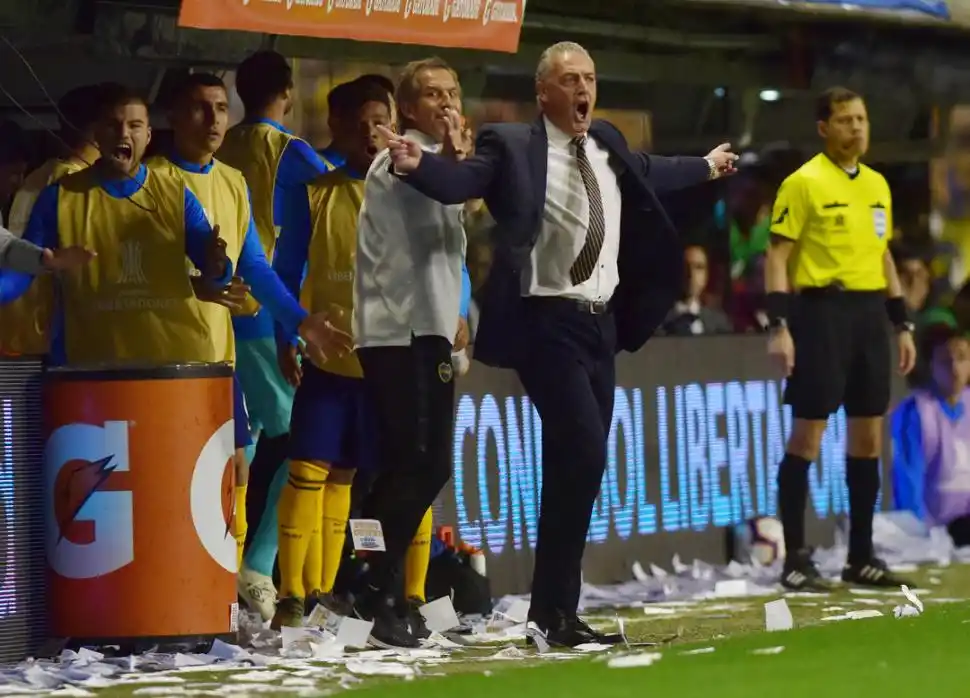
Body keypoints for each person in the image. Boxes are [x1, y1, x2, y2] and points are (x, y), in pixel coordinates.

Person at [381, 42, 736, 648]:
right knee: (584, 449)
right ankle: (552, 611)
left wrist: (704, 165)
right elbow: (466, 177)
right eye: (571, 79)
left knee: (580, 464)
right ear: (543, 91)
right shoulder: (512, 143)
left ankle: (554, 614)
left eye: (591, 78)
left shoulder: (606, 142)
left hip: (601, 325)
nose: (584, 88)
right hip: (548, 322)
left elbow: (651, 170)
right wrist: (419, 165)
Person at [146, 71, 350, 575]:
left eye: (220, 107)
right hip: (158, 359)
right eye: (199, 108)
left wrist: (300, 322)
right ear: (171, 117)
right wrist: (195, 284)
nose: (213, 119)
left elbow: (254, 266)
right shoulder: (152, 181)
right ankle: (232, 578)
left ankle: (230, 591)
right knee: (176, 480)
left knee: (233, 469)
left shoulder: (233, 181)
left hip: (220, 351)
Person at [0, 84, 350, 369]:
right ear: (98, 135)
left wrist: (295, 319)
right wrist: (40, 263)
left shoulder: (176, 194)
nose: (124, 133)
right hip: (90, 371)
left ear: (148, 134)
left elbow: (237, 268)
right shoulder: (58, 196)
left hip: (172, 370)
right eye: (113, 125)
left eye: (134, 126)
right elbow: (20, 272)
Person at [346, 57, 477, 648]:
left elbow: (451, 242)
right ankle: (364, 585)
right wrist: (456, 162)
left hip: (428, 328)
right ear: (406, 108)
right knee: (421, 463)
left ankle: (381, 593)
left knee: (407, 466)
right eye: (431, 94)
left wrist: (461, 313)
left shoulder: (443, 165)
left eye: (452, 91)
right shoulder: (397, 159)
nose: (445, 101)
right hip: (399, 331)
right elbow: (427, 178)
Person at [764, 87, 917, 591]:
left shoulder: (877, 186)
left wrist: (902, 323)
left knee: (868, 435)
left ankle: (861, 555)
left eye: (862, 118)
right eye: (846, 119)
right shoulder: (803, 183)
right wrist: (779, 325)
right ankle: (795, 557)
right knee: (809, 433)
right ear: (824, 127)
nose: (857, 128)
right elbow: (779, 256)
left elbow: (883, 256)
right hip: (821, 312)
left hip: (869, 313)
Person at [218, 50, 335, 616]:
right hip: (267, 315)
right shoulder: (292, 152)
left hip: (220, 314)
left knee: (250, 435)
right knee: (303, 437)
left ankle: (229, 561)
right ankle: (258, 566)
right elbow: (341, 202)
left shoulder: (218, 148)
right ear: (287, 93)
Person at [892, 325, 970, 548]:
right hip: (933, 530)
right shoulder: (917, 411)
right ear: (931, 366)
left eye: (962, 358)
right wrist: (924, 537)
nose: (954, 368)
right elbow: (908, 483)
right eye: (946, 361)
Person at [661, 243, 733, 336]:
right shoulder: (655, 324)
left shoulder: (720, 324)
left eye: (699, 267)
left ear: (706, 276)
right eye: (685, 266)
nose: (691, 274)